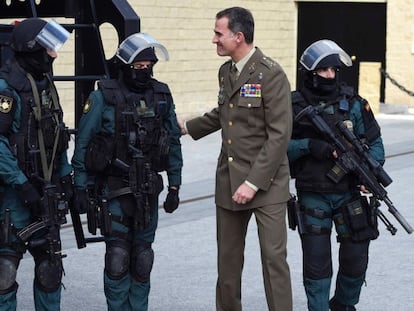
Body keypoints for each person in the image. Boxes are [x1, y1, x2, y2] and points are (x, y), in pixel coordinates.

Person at [178, 7, 293, 311]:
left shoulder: (271, 74)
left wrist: (253, 183)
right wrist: (187, 127)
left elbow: (279, 135)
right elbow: (225, 114)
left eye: (219, 33)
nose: (213, 39)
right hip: (229, 181)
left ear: (238, 36)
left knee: (273, 261)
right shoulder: (227, 71)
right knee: (228, 265)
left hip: (266, 185)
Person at [71, 32, 183, 311]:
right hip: (114, 190)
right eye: (138, 66)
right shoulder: (102, 98)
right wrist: (80, 187)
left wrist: (174, 186)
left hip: (147, 190)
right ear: (124, 66)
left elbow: (173, 142)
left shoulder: (161, 95)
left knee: (142, 259)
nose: (144, 71)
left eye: (149, 66)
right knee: (118, 258)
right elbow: (83, 144)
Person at [287, 39, 385, 311]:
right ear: (310, 73)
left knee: (356, 257)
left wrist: (369, 175)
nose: (330, 76)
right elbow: (277, 149)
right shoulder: (293, 106)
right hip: (313, 195)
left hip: (349, 193)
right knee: (317, 264)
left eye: (333, 71)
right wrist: (309, 146)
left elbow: (375, 143)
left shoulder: (354, 104)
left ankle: (343, 304)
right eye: (323, 71)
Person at [0, 18, 72, 311]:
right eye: (48, 48)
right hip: (14, 196)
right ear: (31, 49)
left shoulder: (45, 85)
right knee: (4, 272)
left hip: (46, 191)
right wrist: (21, 183)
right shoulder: (7, 88)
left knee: (49, 270)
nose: (54, 54)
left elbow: (58, 135)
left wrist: (67, 177)